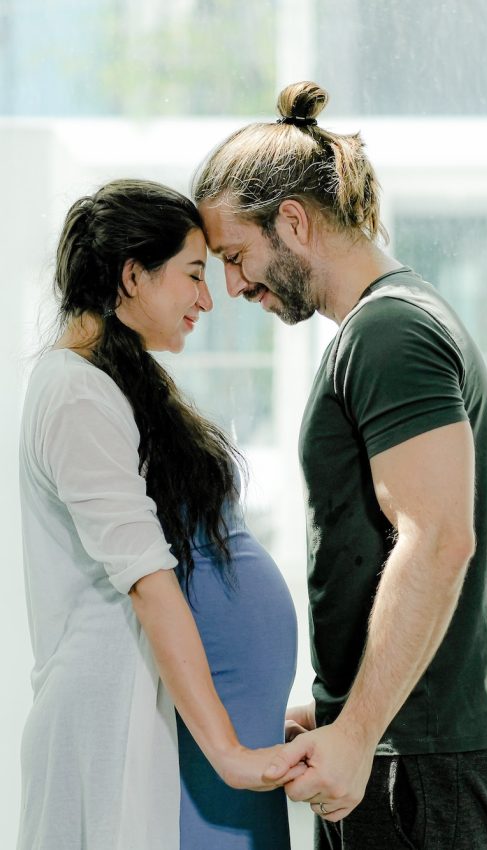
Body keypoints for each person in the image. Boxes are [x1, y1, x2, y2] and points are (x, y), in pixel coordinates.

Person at [192, 82, 487, 850]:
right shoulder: (382, 329)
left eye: (236, 257)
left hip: (423, 767)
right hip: (403, 751)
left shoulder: (390, 333)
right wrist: (346, 711)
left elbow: (439, 540)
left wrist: (360, 732)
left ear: (293, 222)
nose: (236, 285)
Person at [17, 178, 300, 850]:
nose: (207, 298)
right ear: (134, 275)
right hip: (115, 719)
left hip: (173, 719)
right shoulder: (75, 395)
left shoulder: (116, 382)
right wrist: (230, 751)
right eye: (194, 274)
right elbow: (149, 580)